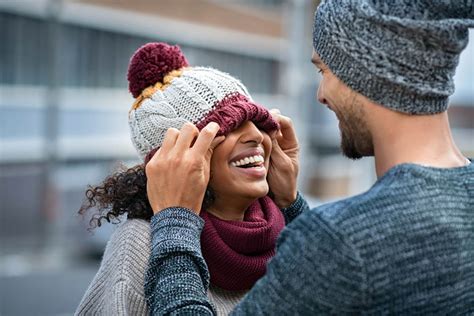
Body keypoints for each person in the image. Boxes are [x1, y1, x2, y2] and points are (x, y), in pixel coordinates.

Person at [143, 0, 474, 314]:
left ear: (362, 71)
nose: (321, 95)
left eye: (323, 72)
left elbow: (338, 260)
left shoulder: (341, 241)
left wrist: (174, 220)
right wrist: (291, 205)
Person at [75, 42, 299, 315]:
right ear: (177, 161)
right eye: (230, 126)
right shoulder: (140, 245)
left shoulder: (287, 232)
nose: (255, 135)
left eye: (257, 121)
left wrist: (291, 204)